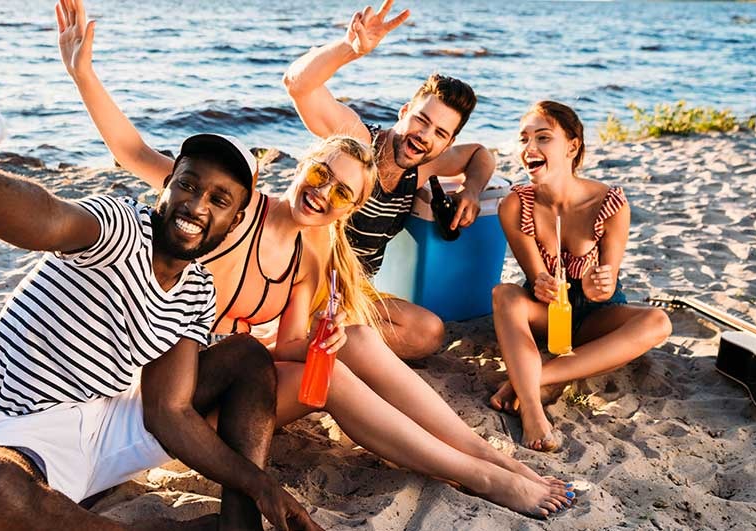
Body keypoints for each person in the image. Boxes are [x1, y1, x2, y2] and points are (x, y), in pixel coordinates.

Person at [54, 0, 575, 518]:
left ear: (354, 205)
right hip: (167, 406)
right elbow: (134, 153)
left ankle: (484, 454)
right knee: (335, 378)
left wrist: (328, 342)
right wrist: (82, 76)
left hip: (237, 393)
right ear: (304, 163)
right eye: (320, 175)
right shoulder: (232, 208)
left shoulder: (318, 246)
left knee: (350, 348)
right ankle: (481, 475)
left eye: (343, 194)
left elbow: (290, 345)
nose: (324, 195)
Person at [0, 102, 322, 531]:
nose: (196, 205)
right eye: (188, 185)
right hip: (24, 433)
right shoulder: (121, 227)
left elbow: (169, 412)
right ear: (166, 187)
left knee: (247, 356)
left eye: (219, 200)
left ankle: (239, 525)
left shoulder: (198, 292)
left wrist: (260, 486)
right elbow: (48, 218)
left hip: (111, 428)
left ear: (233, 223)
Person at [282, 0, 497, 360]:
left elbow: (480, 155)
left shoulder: (424, 166)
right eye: (421, 121)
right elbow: (298, 85)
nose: (424, 136)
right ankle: (304, 342)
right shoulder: (356, 143)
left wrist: (471, 190)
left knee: (428, 333)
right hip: (303, 279)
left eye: (439, 133)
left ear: (447, 142)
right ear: (403, 113)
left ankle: (325, 344)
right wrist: (349, 49)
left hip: (352, 291)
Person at [490, 101, 673, 452]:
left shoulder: (610, 204)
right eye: (524, 139)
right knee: (504, 294)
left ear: (572, 146)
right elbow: (536, 278)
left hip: (595, 317)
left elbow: (607, 282)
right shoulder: (515, 205)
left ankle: (532, 378)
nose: (530, 148)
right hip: (547, 316)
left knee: (658, 322)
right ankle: (532, 410)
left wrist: (597, 284)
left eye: (543, 138)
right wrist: (542, 281)